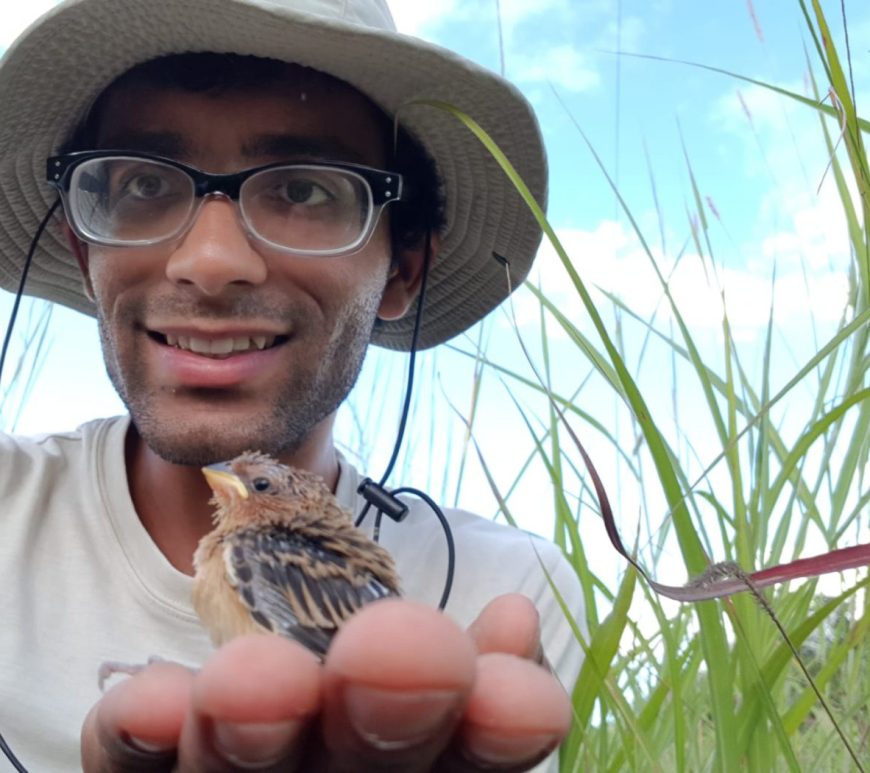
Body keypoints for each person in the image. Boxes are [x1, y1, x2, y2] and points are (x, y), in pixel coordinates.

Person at [0, 0, 585, 770]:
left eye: (306, 189)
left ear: (403, 269)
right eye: (142, 182)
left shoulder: (505, 588)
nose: (209, 261)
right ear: (82, 249)